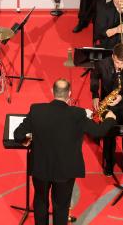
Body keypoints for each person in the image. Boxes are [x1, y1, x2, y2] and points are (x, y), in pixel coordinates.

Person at [14, 79, 116, 225]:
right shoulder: (78, 114)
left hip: (40, 168)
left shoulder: (36, 110)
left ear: (52, 92)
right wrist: (110, 120)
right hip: (65, 171)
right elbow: (98, 132)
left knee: (40, 202)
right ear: (69, 94)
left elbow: (18, 134)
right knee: (61, 206)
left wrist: (24, 140)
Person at [91, 43, 123, 180]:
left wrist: (122, 97)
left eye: (122, 63)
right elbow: (94, 76)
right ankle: (109, 163)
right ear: (112, 56)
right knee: (108, 132)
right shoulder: (103, 64)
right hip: (109, 103)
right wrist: (95, 94)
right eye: (116, 62)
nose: (119, 66)